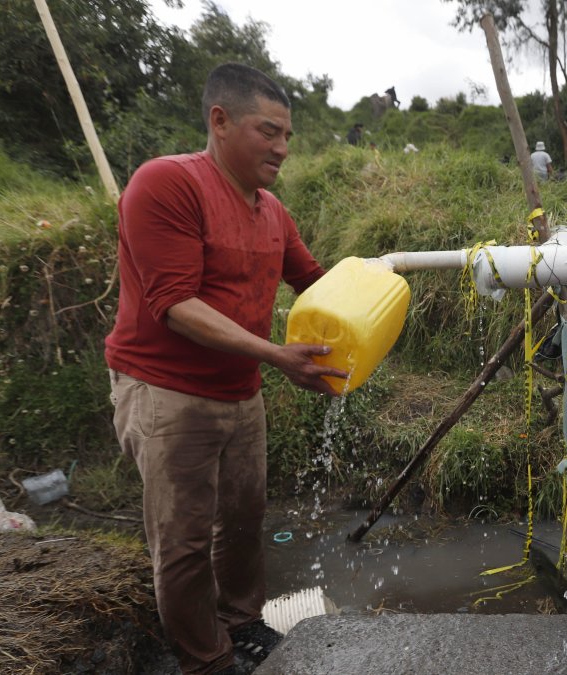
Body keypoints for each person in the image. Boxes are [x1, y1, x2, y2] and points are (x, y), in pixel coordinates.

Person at [104, 63, 348, 675]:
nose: (283, 149)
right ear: (220, 120)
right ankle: (205, 659)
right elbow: (175, 306)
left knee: (242, 521)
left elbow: (315, 281)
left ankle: (240, 626)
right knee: (183, 541)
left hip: (240, 391)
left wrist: (379, 286)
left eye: (287, 136)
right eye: (269, 132)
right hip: (165, 391)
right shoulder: (166, 184)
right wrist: (277, 357)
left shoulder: (271, 211)